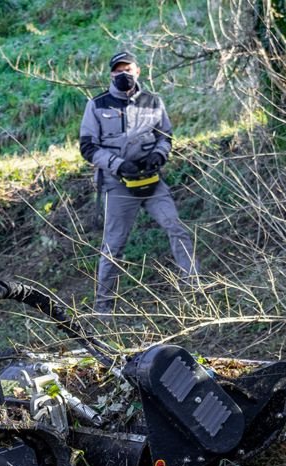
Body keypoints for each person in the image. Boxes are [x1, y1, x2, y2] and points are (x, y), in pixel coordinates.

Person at [79, 50, 199, 312]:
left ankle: (195, 292)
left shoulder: (153, 101)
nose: (124, 74)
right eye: (118, 70)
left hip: (153, 181)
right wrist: (119, 165)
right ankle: (103, 309)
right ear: (111, 73)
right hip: (117, 184)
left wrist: (159, 154)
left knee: (177, 228)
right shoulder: (96, 105)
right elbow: (87, 147)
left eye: (128, 69)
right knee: (114, 245)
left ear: (138, 71)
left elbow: (165, 136)